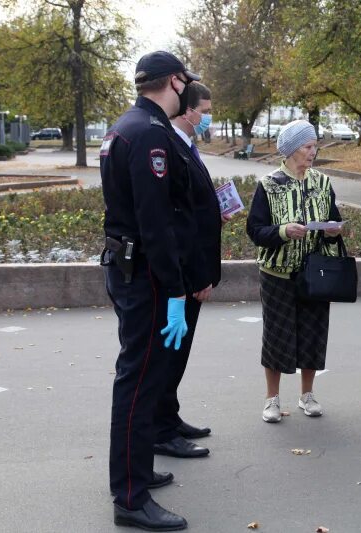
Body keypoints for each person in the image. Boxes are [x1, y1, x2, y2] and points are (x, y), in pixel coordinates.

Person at [100, 50, 201, 531]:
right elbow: (157, 222)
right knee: (138, 385)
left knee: (139, 379)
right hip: (147, 276)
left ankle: (135, 475)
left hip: (130, 267)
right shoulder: (150, 135)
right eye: (187, 84)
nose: (189, 92)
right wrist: (176, 289)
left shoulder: (129, 125)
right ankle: (130, 497)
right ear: (175, 82)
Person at [246, 119, 343, 423]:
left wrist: (333, 231)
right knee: (276, 336)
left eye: (315, 145)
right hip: (277, 274)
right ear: (290, 150)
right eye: (308, 146)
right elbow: (255, 230)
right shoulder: (269, 184)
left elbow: (335, 221)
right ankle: (271, 399)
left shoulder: (322, 183)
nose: (314, 151)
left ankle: (307, 394)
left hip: (315, 273)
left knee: (313, 334)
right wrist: (284, 230)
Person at [151, 81, 227, 460]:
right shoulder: (171, 147)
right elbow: (181, 224)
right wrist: (197, 278)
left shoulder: (187, 146)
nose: (207, 115)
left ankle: (169, 415)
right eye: (205, 108)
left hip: (194, 270)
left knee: (177, 353)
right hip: (186, 274)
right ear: (187, 110)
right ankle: (161, 430)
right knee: (170, 353)